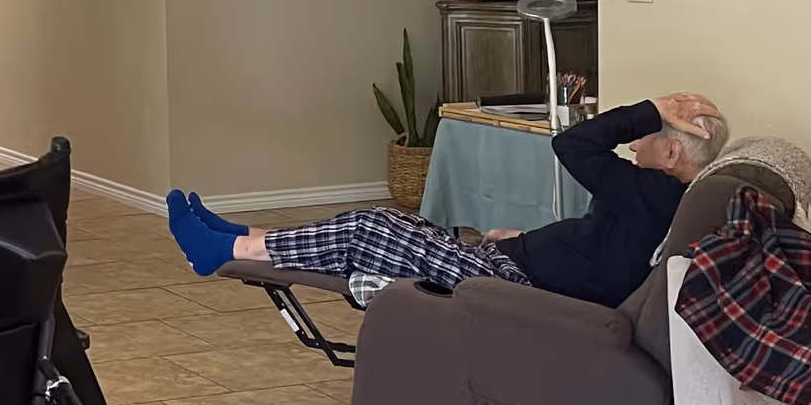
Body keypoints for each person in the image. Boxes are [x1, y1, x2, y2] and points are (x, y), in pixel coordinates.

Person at [167, 93, 728, 308]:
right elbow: (598, 248)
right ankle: (245, 239)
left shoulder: (656, 194)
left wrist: (651, 108)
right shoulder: (654, 197)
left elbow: (573, 142)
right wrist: (524, 240)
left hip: (519, 287)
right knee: (381, 227)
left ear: (675, 154)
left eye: (653, 136)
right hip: (513, 263)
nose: (637, 141)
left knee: (375, 228)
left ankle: (227, 248)